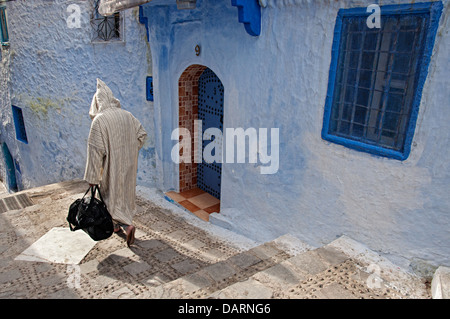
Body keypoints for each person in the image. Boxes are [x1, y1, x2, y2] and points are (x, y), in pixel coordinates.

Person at [84, 78, 147, 247]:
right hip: (128, 165)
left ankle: (127, 225)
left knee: (109, 197)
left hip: (111, 168)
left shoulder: (100, 121)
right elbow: (142, 134)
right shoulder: (127, 115)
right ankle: (117, 226)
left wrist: (92, 177)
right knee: (125, 196)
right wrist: (131, 151)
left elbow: (95, 150)